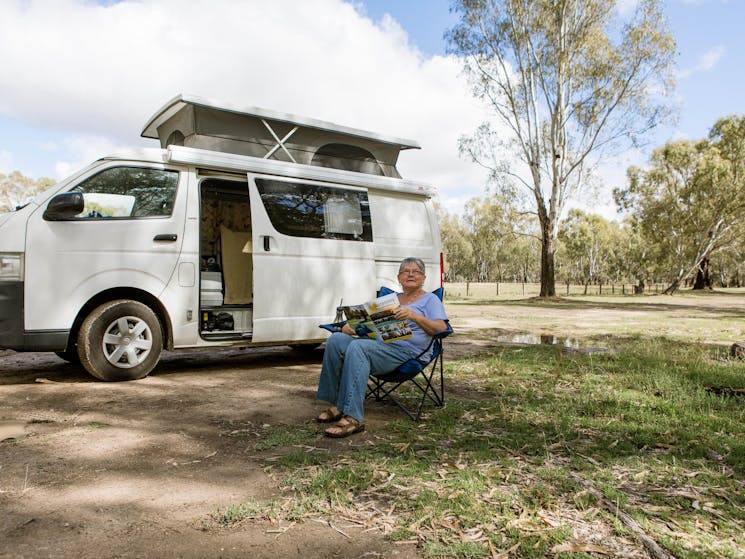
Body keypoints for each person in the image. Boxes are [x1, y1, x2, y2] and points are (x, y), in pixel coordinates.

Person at [316, 257, 449, 438]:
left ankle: (353, 417)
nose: (410, 274)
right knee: (336, 340)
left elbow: (441, 328)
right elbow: (369, 322)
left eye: (416, 271)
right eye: (405, 271)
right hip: (381, 345)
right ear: (398, 277)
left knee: (358, 348)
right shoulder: (389, 300)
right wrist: (352, 327)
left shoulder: (430, 300)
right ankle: (337, 405)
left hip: (406, 353)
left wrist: (413, 316)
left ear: (423, 278)